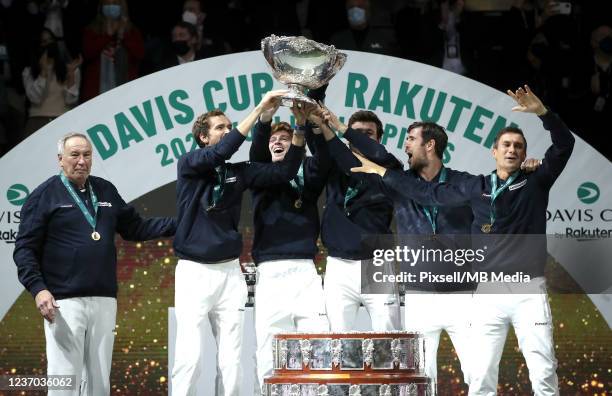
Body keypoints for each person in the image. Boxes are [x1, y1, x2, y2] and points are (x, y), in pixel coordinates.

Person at [351, 85, 574, 396]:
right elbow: (427, 192)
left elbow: (564, 144)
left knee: (543, 369)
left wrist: (543, 114)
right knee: (480, 375)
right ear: (494, 152)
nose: (512, 150)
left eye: (519, 147)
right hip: (486, 292)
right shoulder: (475, 187)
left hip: (527, 288)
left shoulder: (536, 182)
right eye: (506, 145)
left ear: (525, 155)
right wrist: (383, 173)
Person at [13, 132, 176, 396]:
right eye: (74, 155)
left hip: (104, 299)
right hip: (63, 302)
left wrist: (182, 224)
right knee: (64, 382)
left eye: (86, 155)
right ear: (60, 160)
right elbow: (24, 249)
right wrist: (38, 289)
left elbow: (135, 228)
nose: (81, 161)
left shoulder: (104, 189)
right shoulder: (44, 195)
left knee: (99, 384)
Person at [171, 90, 305, 396]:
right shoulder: (190, 164)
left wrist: (298, 131)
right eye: (221, 127)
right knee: (189, 357)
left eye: (230, 126)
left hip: (230, 272)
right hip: (194, 271)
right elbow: (219, 154)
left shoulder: (237, 173)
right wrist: (259, 110)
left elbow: (284, 171)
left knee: (232, 358)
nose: (228, 132)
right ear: (203, 138)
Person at [248, 103, 331, 390]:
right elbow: (257, 150)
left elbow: (322, 157)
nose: (277, 142)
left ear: (297, 143)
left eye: (283, 139)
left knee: (318, 341)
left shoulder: (308, 168)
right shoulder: (259, 172)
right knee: (269, 344)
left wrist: (305, 124)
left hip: (305, 269)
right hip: (270, 270)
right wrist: (265, 119)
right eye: (273, 140)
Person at [316, 107, 402, 332]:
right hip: (338, 265)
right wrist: (312, 118)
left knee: (388, 337)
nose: (362, 138)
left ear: (379, 139)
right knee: (337, 339)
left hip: (377, 264)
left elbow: (355, 167)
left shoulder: (390, 166)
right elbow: (317, 143)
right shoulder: (334, 162)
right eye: (357, 133)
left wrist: (338, 129)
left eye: (368, 134)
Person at [22, 28, 81, 137]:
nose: (48, 45)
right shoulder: (29, 72)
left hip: (62, 121)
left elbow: (70, 100)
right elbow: (35, 99)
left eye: (50, 41)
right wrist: (43, 73)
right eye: (44, 42)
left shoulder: (69, 69)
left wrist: (71, 75)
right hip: (37, 122)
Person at [81, 0, 144, 102]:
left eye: (115, 3)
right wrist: (108, 36)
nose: (111, 7)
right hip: (96, 93)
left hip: (125, 92)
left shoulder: (131, 31)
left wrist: (123, 35)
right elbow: (88, 54)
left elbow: (139, 54)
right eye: (107, 4)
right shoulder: (92, 30)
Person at [329, 0, 400, 57]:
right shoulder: (337, 40)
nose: (355, 10)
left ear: (368, 11)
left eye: (360, 6)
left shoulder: (383, 39)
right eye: (351, 7)